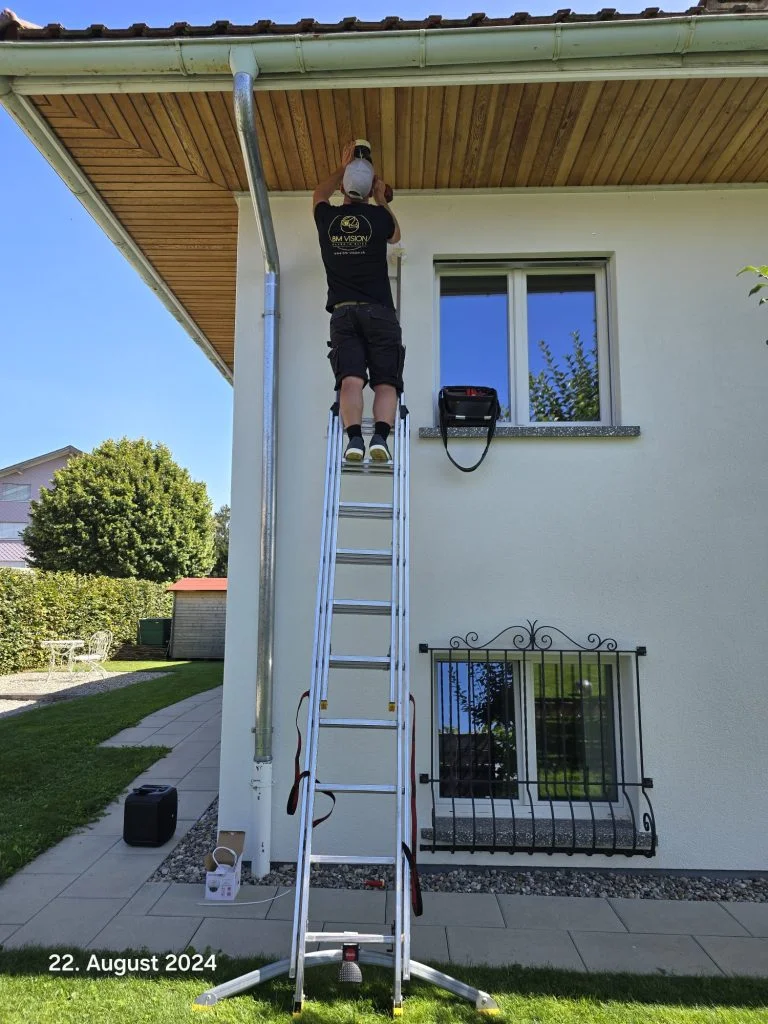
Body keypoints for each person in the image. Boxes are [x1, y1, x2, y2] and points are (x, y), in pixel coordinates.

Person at [312, 141, 404, 463]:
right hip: (379, 312)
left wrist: (343, 168)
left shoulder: (327, 218)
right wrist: (381, 199)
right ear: (367, 191)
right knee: (385, 381)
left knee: (350, 380)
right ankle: (380, 437)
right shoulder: (377, 218)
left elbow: (318, 194)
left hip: (343, 313)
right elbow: (396, 235)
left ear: (343, 188)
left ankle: (353, 439)